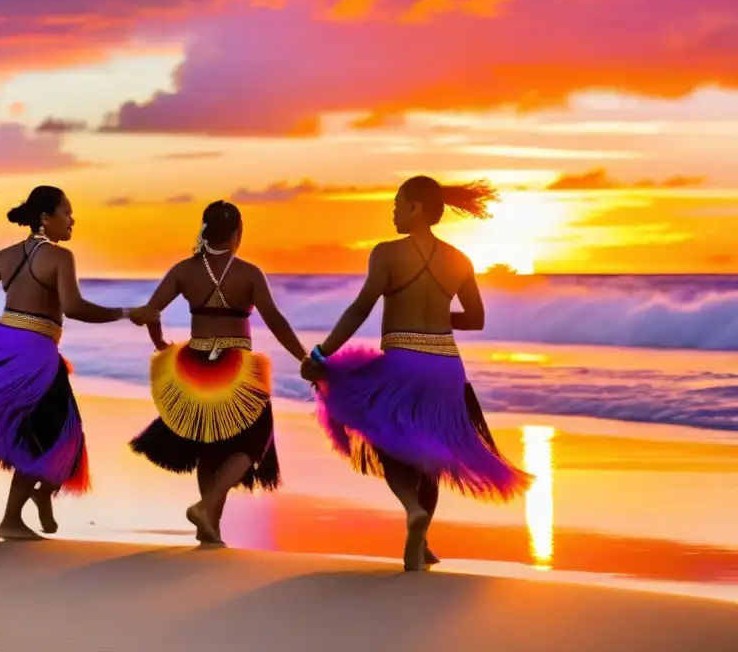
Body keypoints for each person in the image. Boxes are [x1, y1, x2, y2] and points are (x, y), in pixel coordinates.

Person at [300, 176, 532, 571]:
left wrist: (322, 353)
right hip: (446, 368)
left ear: (417, 208)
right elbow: (475, 319)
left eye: (398, 202)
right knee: (432, 452)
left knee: (387, 443)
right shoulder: (459, 259)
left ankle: (412, 510)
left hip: (402, 360)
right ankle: (421, 541)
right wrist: (439, 314)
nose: (392, 210)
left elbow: (360, 309)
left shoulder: (386, 254)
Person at [0, 185, 159, 540]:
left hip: (0, 345)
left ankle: (36, 498)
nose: (72, 220)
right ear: (44, 218)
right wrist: (126, 311)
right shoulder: (59, 257)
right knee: (55, 438)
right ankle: (13, 518)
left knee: (37, 435)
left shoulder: (7, 255)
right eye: (66, 212)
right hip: (33, 356)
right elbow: (74, 308)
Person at [129, 200, 306, 546]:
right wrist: (303, 357)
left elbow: (151, 310)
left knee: (208, 448)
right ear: (238, 232)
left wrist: (161, 343)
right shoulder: (250, 272)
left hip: (194, 365)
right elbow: (275, 319)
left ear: (205, 229)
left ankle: (209, 528)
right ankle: (207, 507)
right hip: (237, 366)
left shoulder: (184, 270)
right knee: (255, 442)